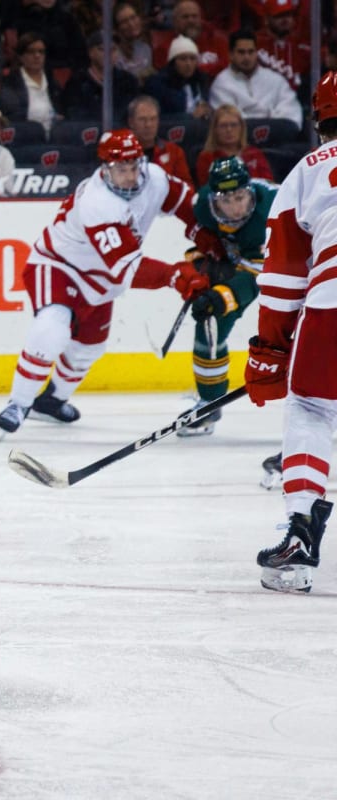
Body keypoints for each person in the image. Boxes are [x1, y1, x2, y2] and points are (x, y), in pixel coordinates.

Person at [0, 128, 213, 433]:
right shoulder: (97, 202)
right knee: (51, 328)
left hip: (101, 280)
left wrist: (212, 239)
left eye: (134, 165)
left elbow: (191, 208)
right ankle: (18, 404)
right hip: (59, 266)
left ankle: (52, 401)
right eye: (121, 168)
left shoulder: (156, 179)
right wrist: (175, 275)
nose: (130, 175)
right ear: (105, 168)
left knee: (88, 348)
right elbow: (126, 267)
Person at [243, 71, 337, 594]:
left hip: (332, 302)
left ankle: (300, 529)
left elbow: (281, 278)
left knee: (312, 408)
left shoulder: (307, 170)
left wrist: (271, 351)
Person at [174, 156, 273, 436]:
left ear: (250, 191)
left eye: (240, 197)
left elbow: (259, 277)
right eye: (225, 200)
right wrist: (201, 266)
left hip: (302, 270)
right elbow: (205, 243)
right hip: (250, 263)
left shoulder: (270, 211)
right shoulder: (204, 205)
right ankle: (209, 404)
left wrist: (220, 296)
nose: (234, 207)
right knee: (210, 323)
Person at [208, 29, 302, 131]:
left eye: (251, 52)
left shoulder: (275, 79)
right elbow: (229, 122)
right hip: (239, 143)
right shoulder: (221, 83)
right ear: (231, 55)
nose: (247, 57)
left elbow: (292, 115)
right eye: (241, 52)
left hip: (277, 139)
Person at [62, 30, 141, 122]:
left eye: (114, 49)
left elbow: (136, 113)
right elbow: (74, 117)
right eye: (103, 49)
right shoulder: (76, 83)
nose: (109, 54)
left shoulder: (129, 81)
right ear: (90, 53)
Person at [0, 31, 64, 136]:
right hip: (26, 136)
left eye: (41, 52)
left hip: (55, 134)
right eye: (31, 51)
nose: (37, 56)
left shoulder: (51, 81)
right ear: (21, 56)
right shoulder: (11, 81)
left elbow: (63, 109)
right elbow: (12, 115)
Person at [194, 103, 273, 185]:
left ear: (241, 128)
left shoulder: (254, 153)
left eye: (234, 125)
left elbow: (269, 183)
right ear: (215, 129)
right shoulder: (207, 157)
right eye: (223, 126)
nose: (229, 130)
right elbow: (207, 188)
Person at [128, 94, 192, 186]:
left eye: (153, 119)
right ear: (131, 122)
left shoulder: (174, 152)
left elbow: (187, 188)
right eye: (142, 119)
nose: (148, 125)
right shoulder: (121, 153)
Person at [144, 35, 213, 121]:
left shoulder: (201, 79)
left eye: (192, 58)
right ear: (173, 62)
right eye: (183, 59)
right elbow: (157, 119)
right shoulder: (158, 85)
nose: (188, 64)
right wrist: (190, 117)